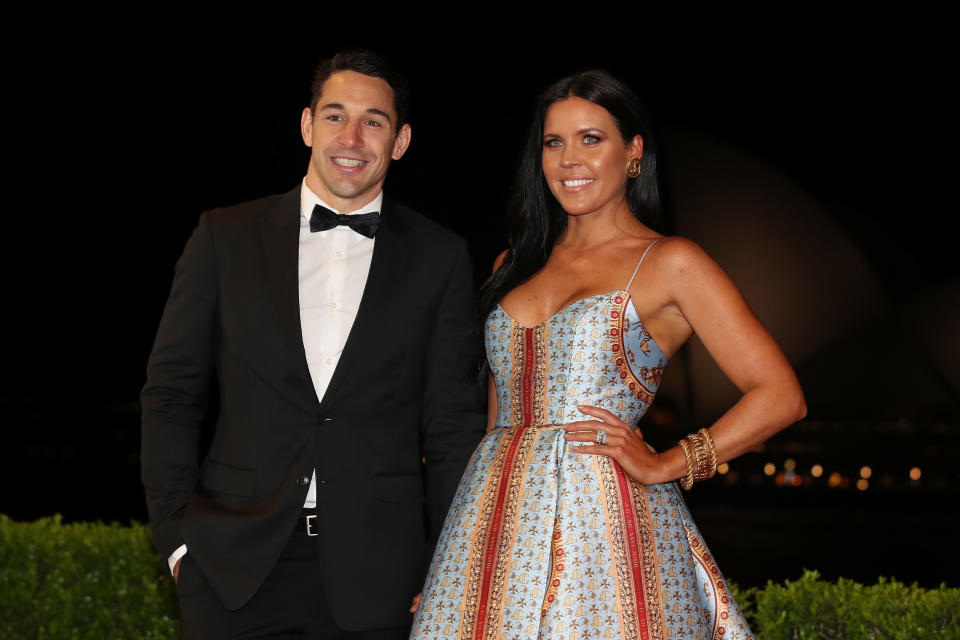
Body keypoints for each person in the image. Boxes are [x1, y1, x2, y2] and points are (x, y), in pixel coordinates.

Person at [409, 70, 805, 640]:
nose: (570, 158)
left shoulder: (671, 262)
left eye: (591, 139)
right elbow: (497, 424)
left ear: (633, 151)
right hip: (491, 525)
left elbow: (780, 396)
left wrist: (670, 462)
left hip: (602, 527)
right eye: (554, 142)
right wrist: (451, 566)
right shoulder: (509, 265)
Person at [141, 49, 486, 639]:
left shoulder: (440, 257)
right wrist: (176, 541)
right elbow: (171, 394)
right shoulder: (224, 237)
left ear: (400, 140)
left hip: (381, 576)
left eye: (373, 121)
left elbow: (453, 427)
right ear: (306, 125)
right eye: (334, 116)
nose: (351, 136)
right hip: (233, 570)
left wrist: (446, 562)